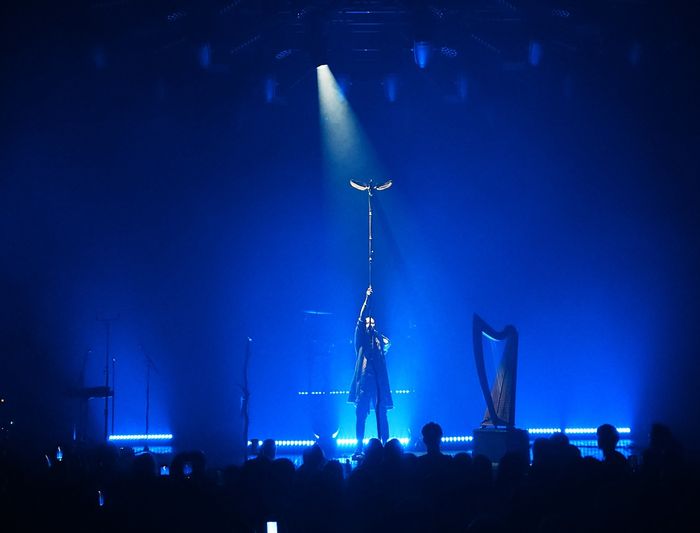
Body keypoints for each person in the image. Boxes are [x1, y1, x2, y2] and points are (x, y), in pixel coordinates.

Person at [348, 286, 392, 458]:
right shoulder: (361, 342)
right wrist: (367, 300)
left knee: (382, 415)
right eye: (368, 323)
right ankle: (359, 448)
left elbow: (388, 344)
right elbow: (360, 321)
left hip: (378, 385)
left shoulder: (380, 342)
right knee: (361, 415)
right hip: (364, 384)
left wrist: (378, 337)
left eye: (372, 323)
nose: (370, 325)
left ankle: (385, 446)